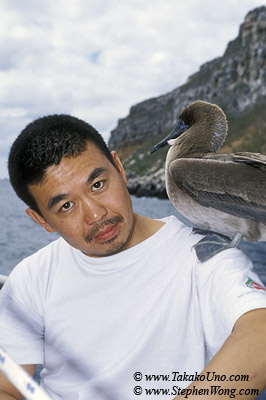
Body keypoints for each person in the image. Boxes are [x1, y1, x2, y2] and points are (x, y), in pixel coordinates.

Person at [0, 114, 266, 400]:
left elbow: (259, 332)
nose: (95, 214)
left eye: (98, 185)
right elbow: (7, 388)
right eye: (66, 206)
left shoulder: (205, 257)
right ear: (42, 221)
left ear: (119, 169)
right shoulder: (32, 276)